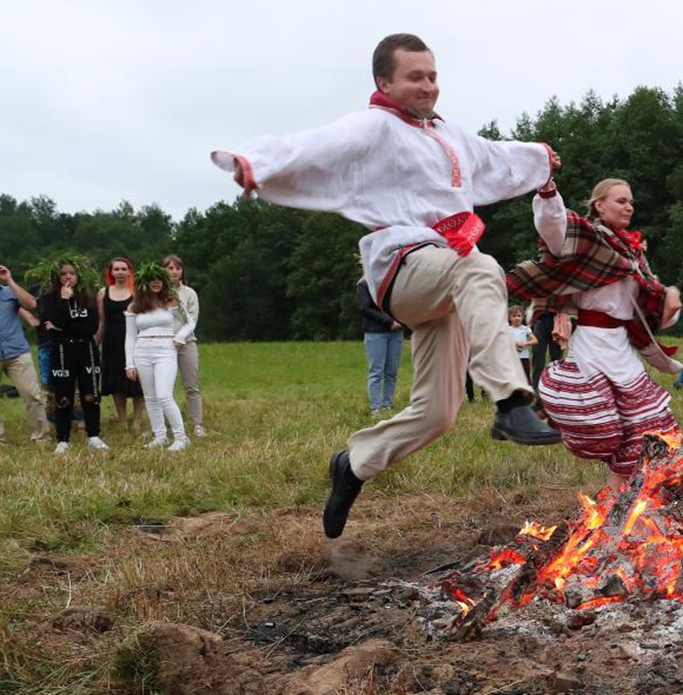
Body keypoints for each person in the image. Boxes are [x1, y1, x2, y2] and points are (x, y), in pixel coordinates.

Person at [213, 33, 562, 539]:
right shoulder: (374, 126)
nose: (428, 86)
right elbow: (316, 146)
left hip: (445, 277)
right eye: (414, 77)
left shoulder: (447, 133)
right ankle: (510, 402)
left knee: (437, 415)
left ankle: (353, 465)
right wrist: (253, 163)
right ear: (385, 82)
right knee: (482, 267)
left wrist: (539, 160)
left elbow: (494, 159)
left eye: (433, 76)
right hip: (403, 266)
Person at [509, 178, 683, 491]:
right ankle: (552, 391)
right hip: (591, 344)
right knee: (602, 429)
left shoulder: (634, 254)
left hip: (623, 348)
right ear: (599, 205)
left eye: (631, 202)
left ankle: (620, 506)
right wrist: (547, 191)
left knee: (646, 432)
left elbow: (649, 307)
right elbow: (554, 227)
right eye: (620, 201)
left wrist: (671, 292)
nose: (628, 206)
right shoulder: (588, 238)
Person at [41, 258, 108, 453]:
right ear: (58, 277)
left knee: (91, 394)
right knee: (63, 395)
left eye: (72, 273)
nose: (68, 277)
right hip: (62, 350)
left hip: (87, 349)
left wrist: (63, 327)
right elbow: (52, 325)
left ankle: (93, 436)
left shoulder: (87, 297)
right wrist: (63, 301)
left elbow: (91, 326)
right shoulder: (51, 298)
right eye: (64, 274)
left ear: (78, 276)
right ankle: (63, 440)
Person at [125, 263, 192, 450]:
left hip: (165, 350)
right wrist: (129, 364)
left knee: (164, 395)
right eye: (152, 280)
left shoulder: (171, 301)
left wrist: (180, 337)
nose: (156, 283)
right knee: (150, 397)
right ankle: (160, 435)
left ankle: (181, 437)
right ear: (144, 283)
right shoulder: (135, 306)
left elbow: (189, 323)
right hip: (142, 351)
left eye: (159, 280)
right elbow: (130, 336)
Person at [0, 264, 51, 444]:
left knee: (32, 395)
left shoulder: (8, 292)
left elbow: (31, 303)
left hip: (16, 352)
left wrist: (10, 281)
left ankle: (41, 437)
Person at [96, 257, 145, 430]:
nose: (120, 272)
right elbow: (101, 320)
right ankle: (122, 420)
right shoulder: (103, 292)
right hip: (112, 341)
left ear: (130, 271)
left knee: (139, 381)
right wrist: (96, 342)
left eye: (124, 269)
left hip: (135, 339)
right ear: (111, 272)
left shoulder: (138, 291)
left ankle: (137, 421)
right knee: (116, 382)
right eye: (116, 269)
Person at [163, 255, 205, 437]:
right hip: (163, 344)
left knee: (192, 385)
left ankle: (197, 424)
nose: (174, 271)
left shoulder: (189, 293)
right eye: (170, 268)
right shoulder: (156, 292)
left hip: (186, 343)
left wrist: (180, 338)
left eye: (178, 268)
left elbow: (192, 320)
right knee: (164, 388)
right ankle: (164, 426)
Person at [356, 278, 404, 414]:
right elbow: (364, 308)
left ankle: (387, 405)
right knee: (376, 371)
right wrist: (389, 321)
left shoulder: (394, 281)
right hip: (375, 332)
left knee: (391, 372)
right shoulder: (364, 284)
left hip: (396, 333)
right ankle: (375, 408)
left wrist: (402, 321)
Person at [528, 305, 563, 391]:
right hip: (540, 320)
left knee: (556, 360)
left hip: (558, 321)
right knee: (538, 358)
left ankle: (554, 388)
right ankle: (536, 389)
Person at [508, 305, 536, 382]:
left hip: (524, 357)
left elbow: (535, 340)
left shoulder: (525, 329)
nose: (516, 318)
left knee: (526, 376)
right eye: (513, 316)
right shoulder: (507, 329)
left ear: (523, 317)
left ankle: (527, 392)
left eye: (519, 316)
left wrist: (525, 343)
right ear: (509, 318)